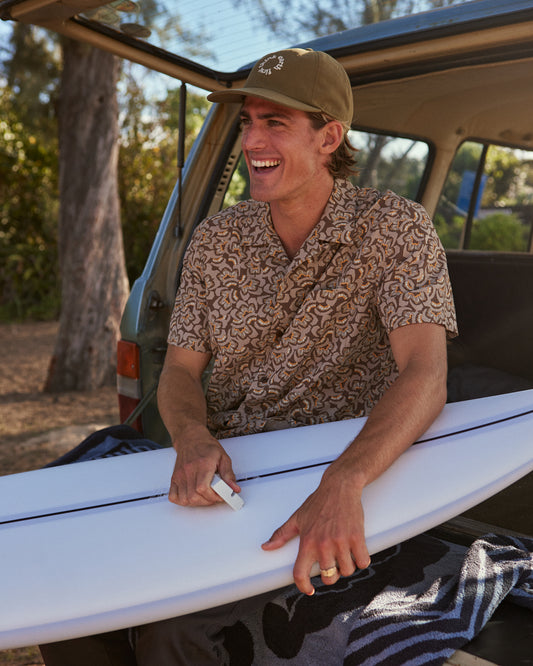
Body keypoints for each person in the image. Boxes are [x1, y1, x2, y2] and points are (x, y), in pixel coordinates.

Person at [41, 48, 457, 665]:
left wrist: (346, 480)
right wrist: (190, 435)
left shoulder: (395, 228)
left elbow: (427, 374)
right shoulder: (216, 239)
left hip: (341, 470)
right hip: (232, 476)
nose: (252, 141)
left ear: (330, 137)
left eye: (275, 123)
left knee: (176, 636)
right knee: (75, 604)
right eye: (247, 122)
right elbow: (179, 370)